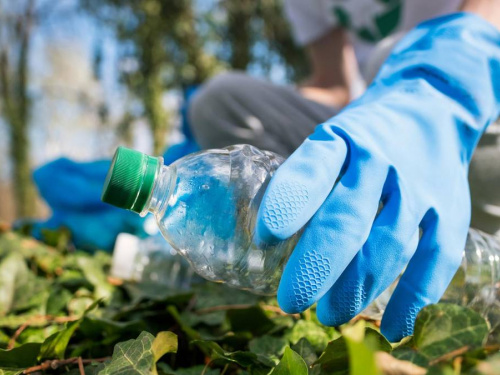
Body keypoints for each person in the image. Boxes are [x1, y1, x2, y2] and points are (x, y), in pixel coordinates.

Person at [188, 0, 500, 341]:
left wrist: (441, 89)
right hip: (379, 116)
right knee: (221, 102)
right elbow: (333, 86)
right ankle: (355, 234)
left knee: (387, 52)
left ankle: (456, 239)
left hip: (478, 95)